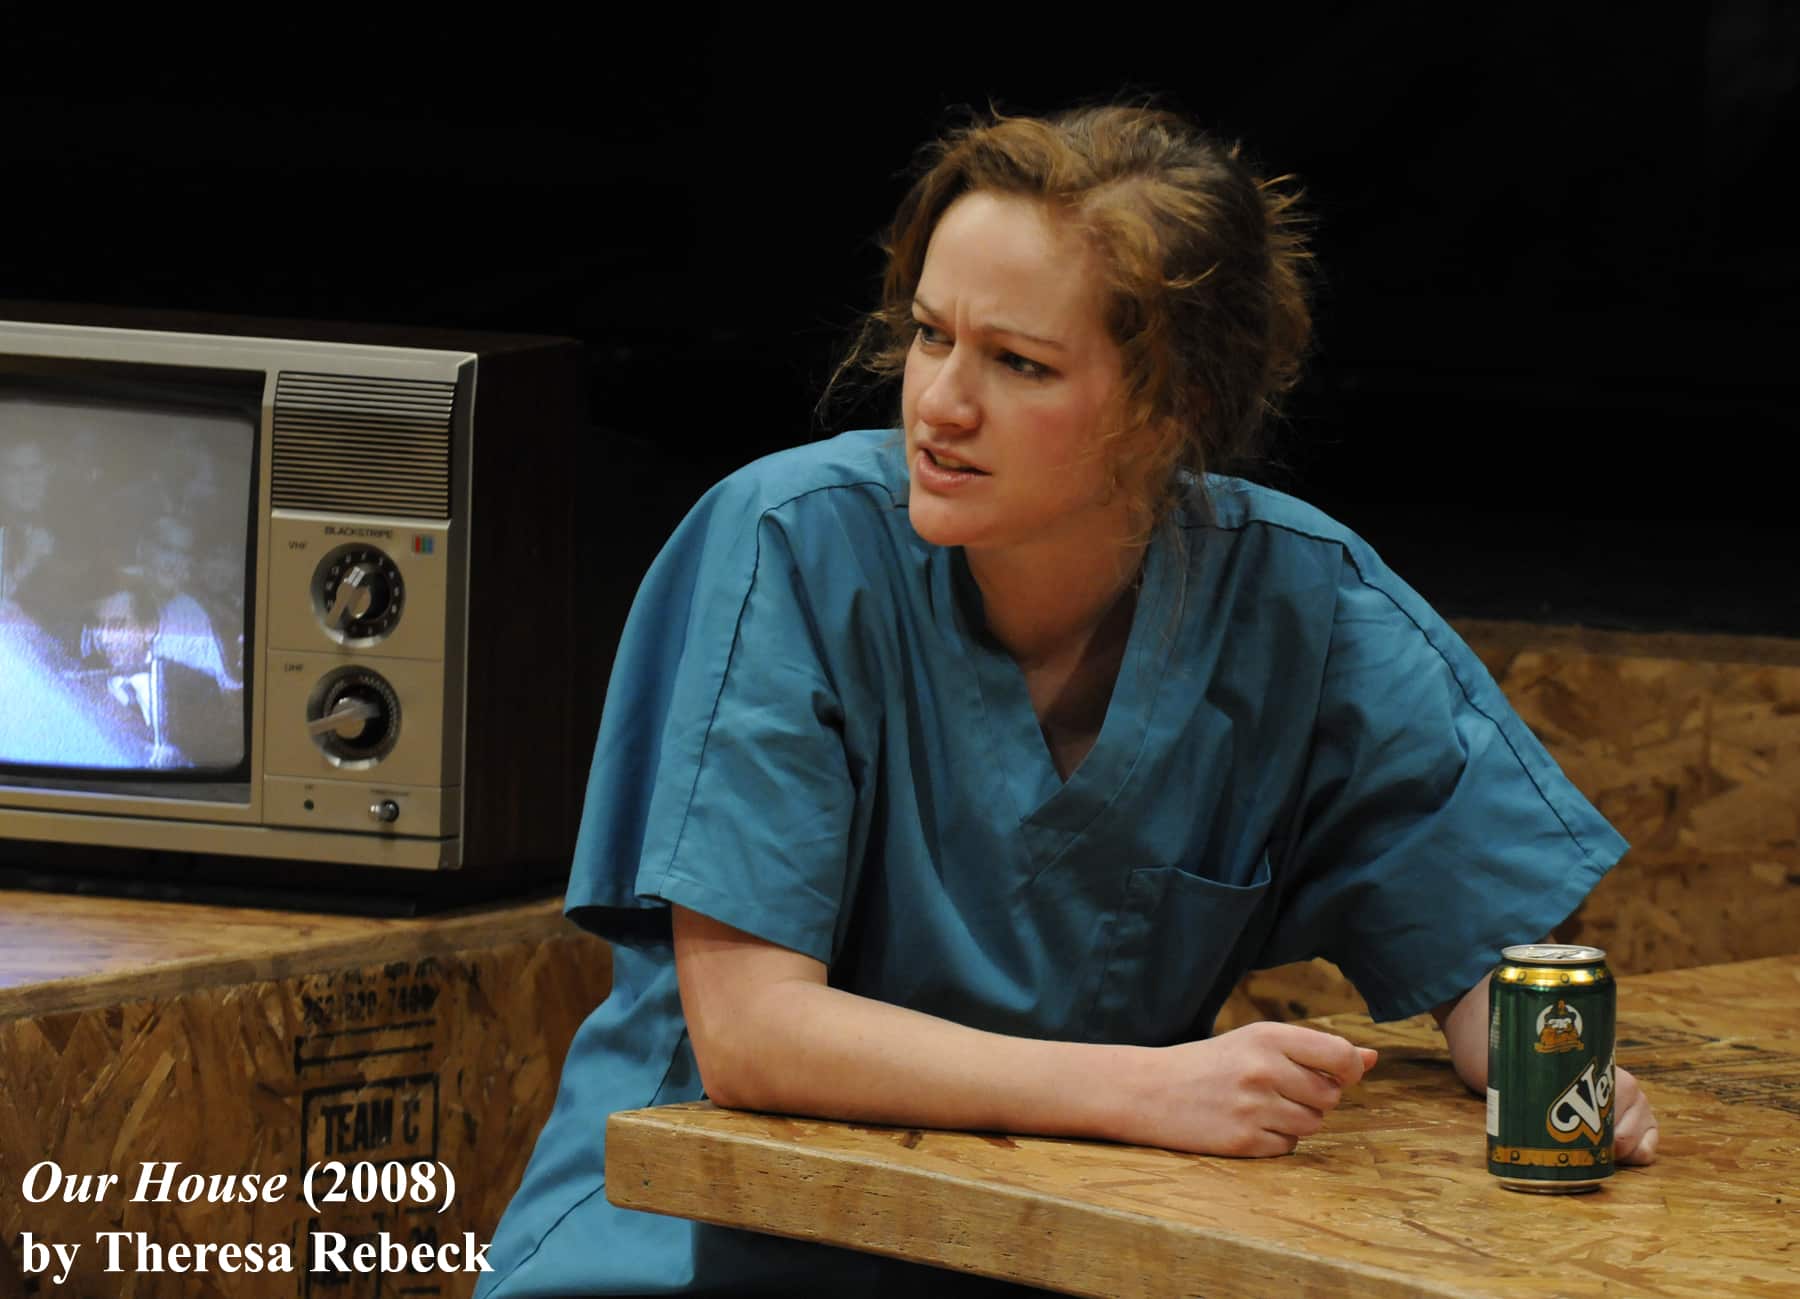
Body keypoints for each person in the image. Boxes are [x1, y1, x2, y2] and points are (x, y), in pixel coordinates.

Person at [477, 104, 1658, 1298]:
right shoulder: (793, 544)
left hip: (1037, 1250)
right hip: (694, 1246)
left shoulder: (1305, 603)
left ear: (1173, 404)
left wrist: (1541, 1072)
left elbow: (1481, 945)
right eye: (931, 336)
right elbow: (752, 1036)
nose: (940, 401)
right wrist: (1152, 1091)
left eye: (1019, 363)